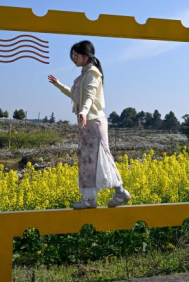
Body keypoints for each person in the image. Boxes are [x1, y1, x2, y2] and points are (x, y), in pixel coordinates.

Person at [48, 40, 131, 209]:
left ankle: (109, 194)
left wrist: (84, 111)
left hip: (93, 122)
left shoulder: (92, 73)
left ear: (85, 56)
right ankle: (94, 198)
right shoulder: (84, 74)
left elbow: (89, 97)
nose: (73, 58)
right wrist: (58, 84)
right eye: (72, 55)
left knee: (99, 159)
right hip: (88, 122)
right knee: (89, 160)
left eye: (76, 55)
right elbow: (75, 95)